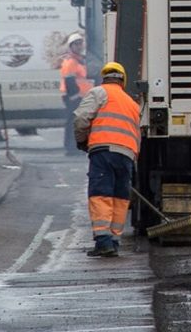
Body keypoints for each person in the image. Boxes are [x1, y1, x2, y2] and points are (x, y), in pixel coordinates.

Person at [73, 62, 141, 257]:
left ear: (104, 78)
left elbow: (81, 119)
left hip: (103, 151)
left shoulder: (99, 93)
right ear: (123, 81)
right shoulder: (132, 103)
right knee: (120, 197)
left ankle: (103, 242)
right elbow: (138, 135)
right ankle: (113, 240)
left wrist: (81, 141)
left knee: (101, 194)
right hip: (127, 154)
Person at [60, 33, 94, 154]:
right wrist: (74, 96)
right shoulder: (71, 62)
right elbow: (69, 80)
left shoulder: (79, 60)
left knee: (77, 121)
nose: (79, 46)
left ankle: (74, 146)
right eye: (76, 44)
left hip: (79, 96)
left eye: (80, 43)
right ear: (71, 46)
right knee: (73, 122)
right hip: (73, 97)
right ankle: (71, 147)